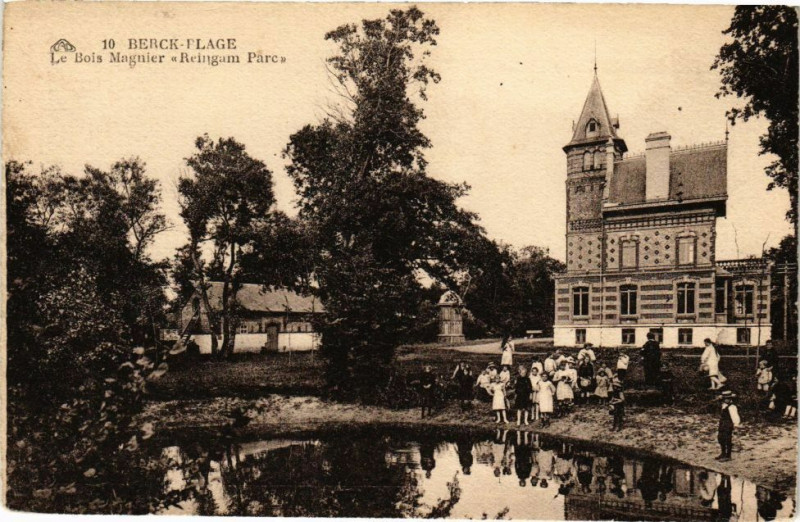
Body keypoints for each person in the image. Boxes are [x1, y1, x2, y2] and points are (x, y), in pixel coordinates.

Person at [716, 389, 740, 461]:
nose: (726, 400)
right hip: (722, 424)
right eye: (725, 399)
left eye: (728, 399)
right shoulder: (723, 405)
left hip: (728, 424)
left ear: (730, 399)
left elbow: (735, 417)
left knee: (727, 439)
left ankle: (728, 455)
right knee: (720, 438)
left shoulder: (732, 407)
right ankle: (723, 453)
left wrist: (736, 425)